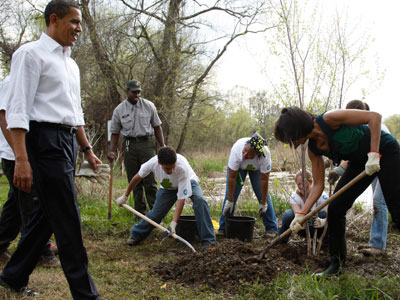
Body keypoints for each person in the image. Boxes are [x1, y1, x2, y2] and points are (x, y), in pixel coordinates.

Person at [0, 1, 102, 298]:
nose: (79, 29)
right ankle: (86, 294)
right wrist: (21, 158)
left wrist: (86, 149)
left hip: (67, 142)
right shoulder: (30, 54)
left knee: (47, 215)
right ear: (54, 20)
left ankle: (14, 274)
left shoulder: (71, 64)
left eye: (80, 23)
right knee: (68, 218)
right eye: (74, 22)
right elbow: (17, 109)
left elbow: (75, 113)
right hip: (43, 141)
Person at [274, 106, 400, 276]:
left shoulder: (330, 118)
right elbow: (318, 185)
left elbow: (374, 117)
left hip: (385, 151)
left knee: (396, 208)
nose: (293, 143)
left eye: (291, 138)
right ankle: (337, 265)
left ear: (297, 129)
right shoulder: (313, 149)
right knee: (335, 209)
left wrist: (374, 154)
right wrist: (302, 214)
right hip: (359, 162)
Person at [0, 76, 59, 267]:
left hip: (30, 154)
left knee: (15, 207)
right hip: (16, 157)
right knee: (31, 206)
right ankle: (41, 254)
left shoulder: (32, 83)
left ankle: (0, 246)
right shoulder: (12, 82)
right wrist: (21, 156)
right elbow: (4, 117)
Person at [116, 146, 215, 247]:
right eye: (167, 168)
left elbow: (181, 199)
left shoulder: (182, 168)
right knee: (156, 214)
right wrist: (125, 196)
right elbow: (137, 178)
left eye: (173, 167)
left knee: (200, 201)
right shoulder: (152, 163)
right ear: (159, 162)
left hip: (189, 182)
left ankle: (208, 241)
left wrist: (174, 223)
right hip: (168, 187)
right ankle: (136, 235)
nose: (171, 171)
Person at [328, 100, 389, 255]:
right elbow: (351, 157)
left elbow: (388, 149)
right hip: (370, 167)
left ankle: (377, 246)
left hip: (385, 163)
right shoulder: (352, 130)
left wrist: (374, 156)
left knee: (379, 202)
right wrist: (337, 171)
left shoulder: (376, 127)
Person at [108, 80, 165, 216]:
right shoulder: (119, 110)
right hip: (129, 145)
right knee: (134, 180)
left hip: (146, 144)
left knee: (150, 180)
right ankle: (139, 213)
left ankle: (155, 213)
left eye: (139, 92)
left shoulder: (149, 106)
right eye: (134, 92)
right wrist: (111, 150)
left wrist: (162, 146)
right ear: (127, 92)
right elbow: (115, 133)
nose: (137, 95)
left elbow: (157, 127)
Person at [218, 132, 278, 236]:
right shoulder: (237, 149)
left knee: (263, 196)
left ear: (257, 154)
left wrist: (263, 203)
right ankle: (223, 229)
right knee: (230, 197)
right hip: (239, 169)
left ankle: (271, 229)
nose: (244, 155)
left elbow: (264, 180)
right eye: (245, 150)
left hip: (256, 169)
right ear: (245, 145)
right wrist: (230, 199)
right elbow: (232, 178)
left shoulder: (265, 155)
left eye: (249, 154)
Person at [279, 170, 328, 244]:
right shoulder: (294, 197)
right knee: (287, 215)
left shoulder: (322, 195)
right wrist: (298, 223)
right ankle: (281, 241)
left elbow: (332, 213)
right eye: (299, 184)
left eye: (304, 183)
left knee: (326, 215)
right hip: (304, 227)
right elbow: (298, 215)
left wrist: (324, 221)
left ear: (311, 182)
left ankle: (326, 243)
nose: (301, 187)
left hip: (318, 227)